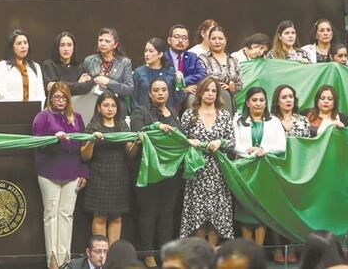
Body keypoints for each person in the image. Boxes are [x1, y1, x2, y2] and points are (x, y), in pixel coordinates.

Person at [33, 82, 89, 269]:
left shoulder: (77, 118)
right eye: (57, 96)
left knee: (67, 215)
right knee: (51, 215)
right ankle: (52, 261)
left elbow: (83, 147)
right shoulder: (42, 117)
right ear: (50, 97)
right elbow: (37, 145)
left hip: (72, 172)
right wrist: (53, 139)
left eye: (64, 97)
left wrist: (83, 171)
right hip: (49, 173)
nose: (61, 100)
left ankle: (66, 261)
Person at [131, 79, 183, 266]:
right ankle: (148, 253)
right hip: (150, 170)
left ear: (168, 92)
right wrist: (157, 128)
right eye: (156, 90)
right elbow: (138, 133)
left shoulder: (174, 112)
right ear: (150, 94)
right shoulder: (140, 112)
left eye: (163, 90)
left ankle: (165, 252)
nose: (160, 93)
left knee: (167, 213)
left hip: (172, 172)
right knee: (148, 212)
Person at [180, 77, 235, 245]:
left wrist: (221, 142)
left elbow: (232, 142)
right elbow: (181, 141)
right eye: (207, 90)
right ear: (200, 92)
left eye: (214, 91)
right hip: (197, 171)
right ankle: (200, 255)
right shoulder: (190, 114)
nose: (210, 94)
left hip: (218, 172)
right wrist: (190, 142)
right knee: (198, 216)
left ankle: (212, 253)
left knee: (216, 216)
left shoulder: (224, 115)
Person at [81, 92, 139, 242]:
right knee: (100, 217)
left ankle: (113, 257)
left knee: (117, 216)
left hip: (119, 175)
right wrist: (92, 140)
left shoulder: (122, 125)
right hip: (99, 175)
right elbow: (85, 156)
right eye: (106, 105)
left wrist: (137, 142)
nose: (110, 109)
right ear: (99, 108)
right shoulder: (93, 126)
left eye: (113, 105)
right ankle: (101, 255)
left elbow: (130, 153)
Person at [232, 88, 285, 248]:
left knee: (261, 210)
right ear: (247, 102)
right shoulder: (237, 120)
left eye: (262, 100)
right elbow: (234, 144)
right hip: (244, 171)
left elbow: (281, 146)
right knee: (245, 210)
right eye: (254, 100)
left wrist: (264, 151)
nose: (258, 103)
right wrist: (253, 154)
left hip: (265, 172)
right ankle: (249, 251)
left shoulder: (274, 121)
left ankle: (259, 250)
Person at [80, 28, 134, 99]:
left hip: (116, 103)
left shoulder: (125, 63)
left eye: (107, 41)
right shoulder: (89, 61)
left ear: (115, 45)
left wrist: (108, 82)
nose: (102, 44)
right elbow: (82, 84)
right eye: (100, 40)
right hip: (92, 102)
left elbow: (129, 89)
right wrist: (81, 82)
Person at [0, 29, 45, 103]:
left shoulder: (36, 67)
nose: (23, 46)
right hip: (10, 110)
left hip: (34, 111)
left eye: (25, 43)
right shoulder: (1, 67)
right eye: (19, 43)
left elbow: (41, 93)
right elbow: (3, 94)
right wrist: (20, 107)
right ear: (12, 47)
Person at [165, 25, 207, 112]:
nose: (180, 41)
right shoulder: (163, 58)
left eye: (184, 38)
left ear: (188, 42)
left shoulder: (192, 56)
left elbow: (202, 74)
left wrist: (183, 81)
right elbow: (164, 80)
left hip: (187, 97)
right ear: (169, 40)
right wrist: (182, 87)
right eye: (176, 37)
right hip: (168, 97)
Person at [199, 25, 241, 110]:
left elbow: (240, 84)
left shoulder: (234, 60)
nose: (217, 42)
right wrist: (227, 82)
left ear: (225, 40)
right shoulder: (202, 58)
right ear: (209, 40)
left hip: (229, 102)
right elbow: (203, 79)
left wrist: (232, 87)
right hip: (208, 102)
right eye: (213, 39)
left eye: (220, 39)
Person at [42, 31, 92, 96]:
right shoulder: (49, 65)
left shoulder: (80, 66)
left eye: (69, 45)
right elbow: (54, 89)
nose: (66, 49)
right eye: (62, 45)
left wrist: (60, 84)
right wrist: (78, 83)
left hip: (77, 105)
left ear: (74, 47)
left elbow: (88, 85)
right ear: (57, 48)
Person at [132, 38, 176, 109]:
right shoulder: (138, 72)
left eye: (151, 51)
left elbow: (178, 97)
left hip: (166, 114)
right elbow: (134, 98)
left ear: (160, 54)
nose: (147, 54)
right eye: (145, 51)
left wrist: (180, 82)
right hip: (144, 114)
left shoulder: (170, 71)